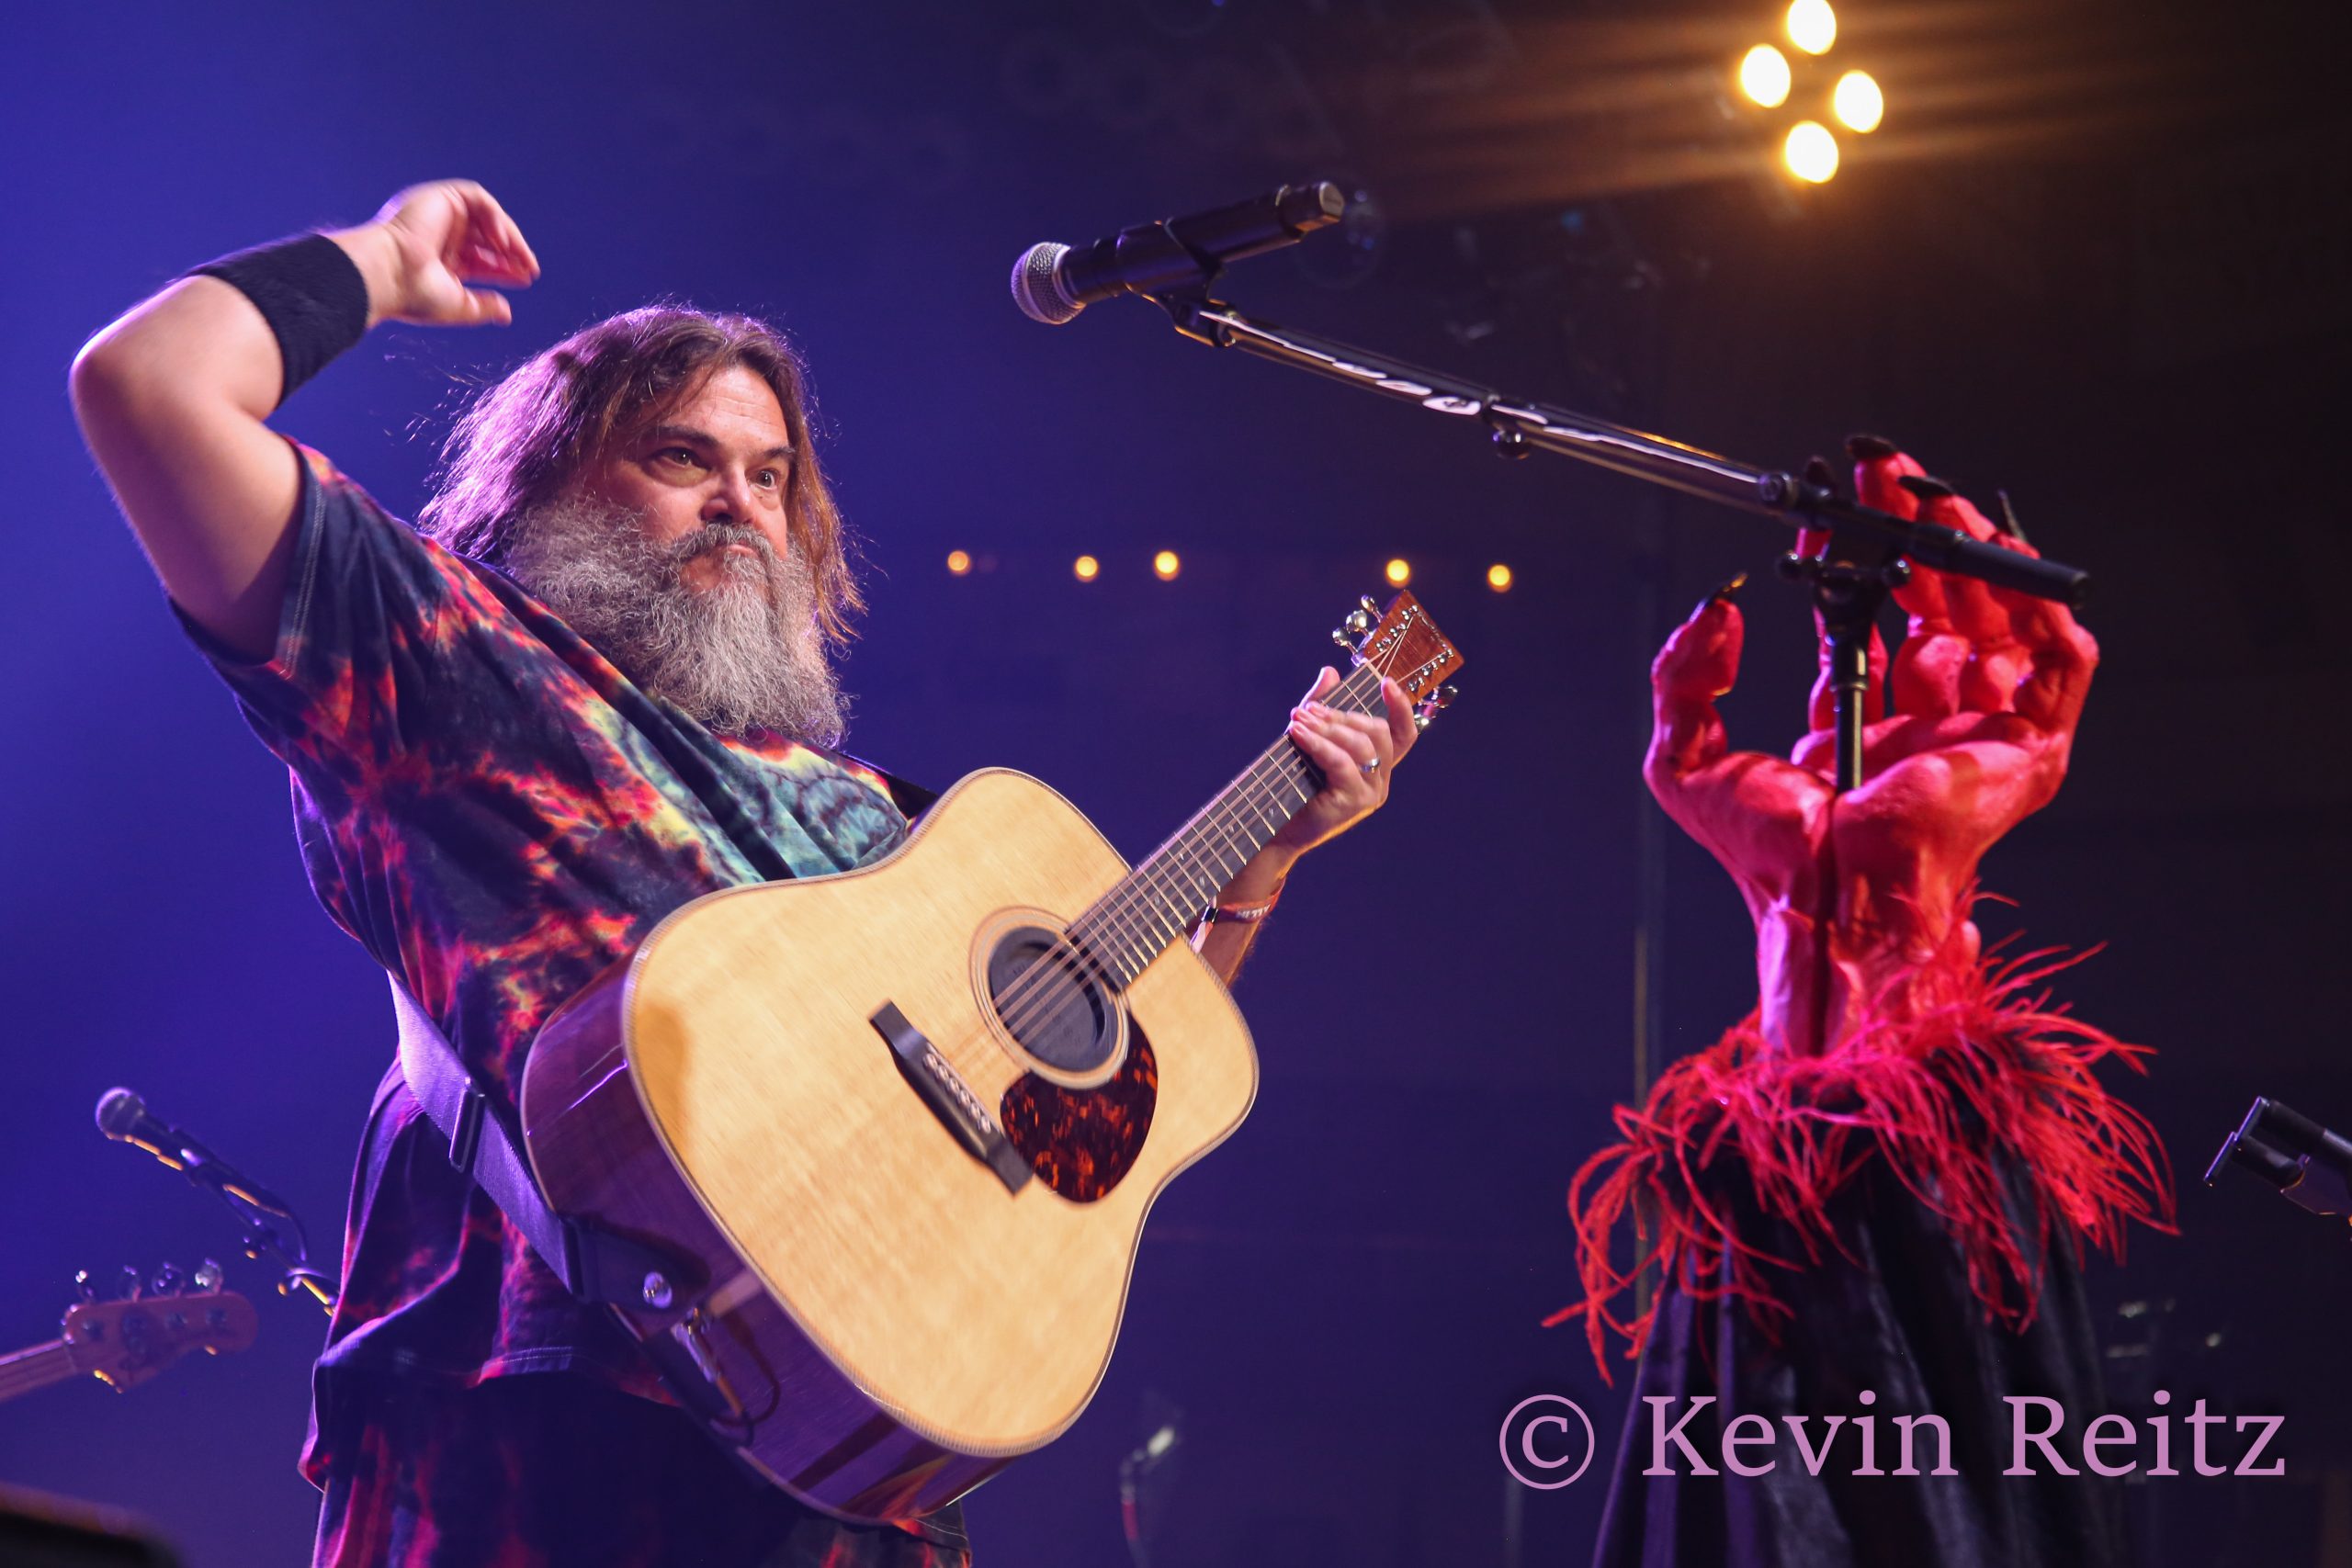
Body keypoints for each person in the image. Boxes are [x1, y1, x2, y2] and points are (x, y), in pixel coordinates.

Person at [69, 179, 1419, 1568]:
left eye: (772, 474)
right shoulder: (453, 665)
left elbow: (1096, 1108)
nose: (740, 503)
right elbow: (149, 384)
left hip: (860, 1490)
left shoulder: (880, 823)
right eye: (679, 456)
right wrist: (381, 258)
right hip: (538, 1453)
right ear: (547, 482)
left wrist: (1253, 876)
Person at [1558, 443, 2174, 1566]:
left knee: (1929, 1481)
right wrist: (1690, 746)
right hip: (1780, 1174)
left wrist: (1700, 747)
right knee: (1759, 1494)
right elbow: (1692, 772)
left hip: (1918, 1170)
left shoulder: (1959, 767)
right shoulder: (1810, 800)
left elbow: (2026, 695)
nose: (1931, 664)